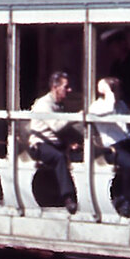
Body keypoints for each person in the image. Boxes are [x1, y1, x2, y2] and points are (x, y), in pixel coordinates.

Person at [89, 76, 130, 216]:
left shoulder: (121, 104)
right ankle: (126, 202)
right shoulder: (98, 106)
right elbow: (109, 110)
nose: (119, 93)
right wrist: (108, 92)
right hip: (112, 146)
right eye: (115, 90)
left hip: (127, 142)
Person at [28, 70, 80, 214]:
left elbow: (62, 131)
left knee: (80, 155)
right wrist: (76, 117)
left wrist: (70, 142)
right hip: (40, 145)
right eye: (66, 87)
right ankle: (68, 198)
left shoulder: (60, 105)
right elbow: (56, 126)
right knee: (59, 157)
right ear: (55, 87)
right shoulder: (44, 104)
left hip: (55, 143)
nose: (69, 90)